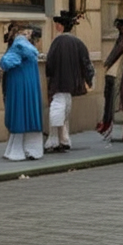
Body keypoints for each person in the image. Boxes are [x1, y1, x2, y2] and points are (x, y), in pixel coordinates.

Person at [43, 11, 94, 152]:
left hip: (58, 82)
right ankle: (64, 139)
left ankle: (53, 140)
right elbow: (87, 63)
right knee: (65, 109)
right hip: (73, 82)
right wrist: (89, 80)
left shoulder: (56, 43)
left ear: (60, 26)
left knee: (57, 108)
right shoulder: (78, 43)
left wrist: (49, 77)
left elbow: (50, 64)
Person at [0, 22, 45, 161]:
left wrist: (1, 67)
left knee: (20, 114)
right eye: (27, 33)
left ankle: (17, 151)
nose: (29, 35)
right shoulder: (24, 45)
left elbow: (6, 62)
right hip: (28, 84)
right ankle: (31, 150)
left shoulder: (18, 44)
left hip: (19, 83)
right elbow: (10, 60)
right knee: (29, 114)